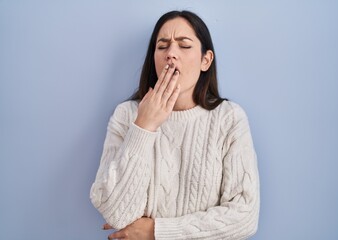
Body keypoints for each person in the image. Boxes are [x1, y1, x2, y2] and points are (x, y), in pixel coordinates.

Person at [90, 10, 260, 240]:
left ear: (205, 60)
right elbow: (117, 214)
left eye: (184, 45)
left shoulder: (229, 118)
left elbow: (245, 217)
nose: (171, 53)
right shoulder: (126, 115)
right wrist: (144, 126)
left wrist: (155, 231)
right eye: (162, 46)